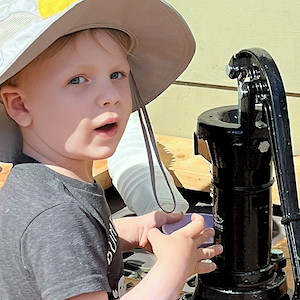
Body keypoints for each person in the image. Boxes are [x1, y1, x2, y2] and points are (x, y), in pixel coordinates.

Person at [0, 1, 223, 300]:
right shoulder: (56, 215)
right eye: (77, 80)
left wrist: (124, 233)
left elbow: (72, 248)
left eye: (117, 75)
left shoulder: (49, 183)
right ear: (20, 105)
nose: (110, 97)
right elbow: (65, 235)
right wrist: (174, 266)